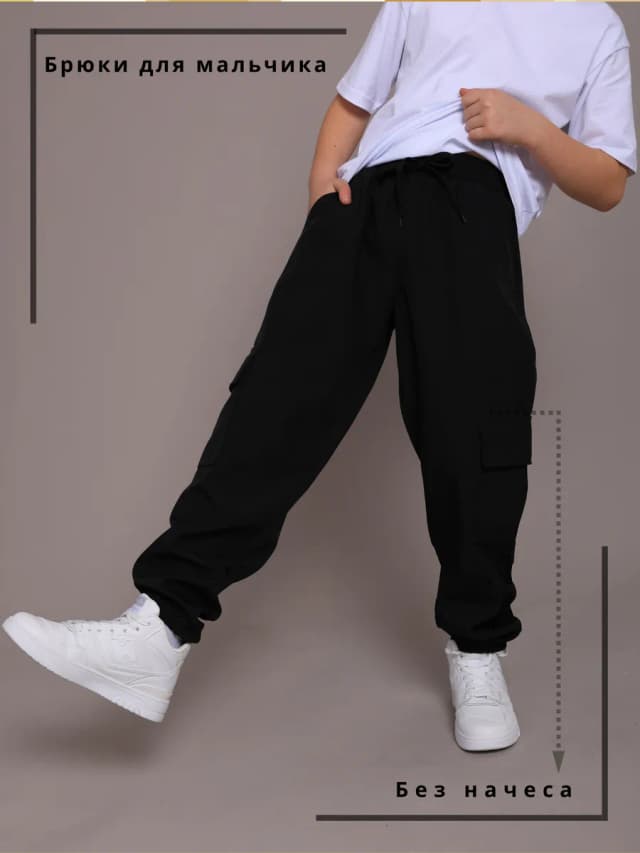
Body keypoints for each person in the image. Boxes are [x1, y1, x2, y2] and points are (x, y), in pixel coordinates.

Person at [3, 2, 636, 750]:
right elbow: (353, 101)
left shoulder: (594, 27)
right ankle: (160, 626)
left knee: (475, 432)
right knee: (275, 400)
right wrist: (322, 198)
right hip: (365, 199)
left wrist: (530, 130)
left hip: (471, 205)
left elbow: (609, 181)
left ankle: (478, 649)